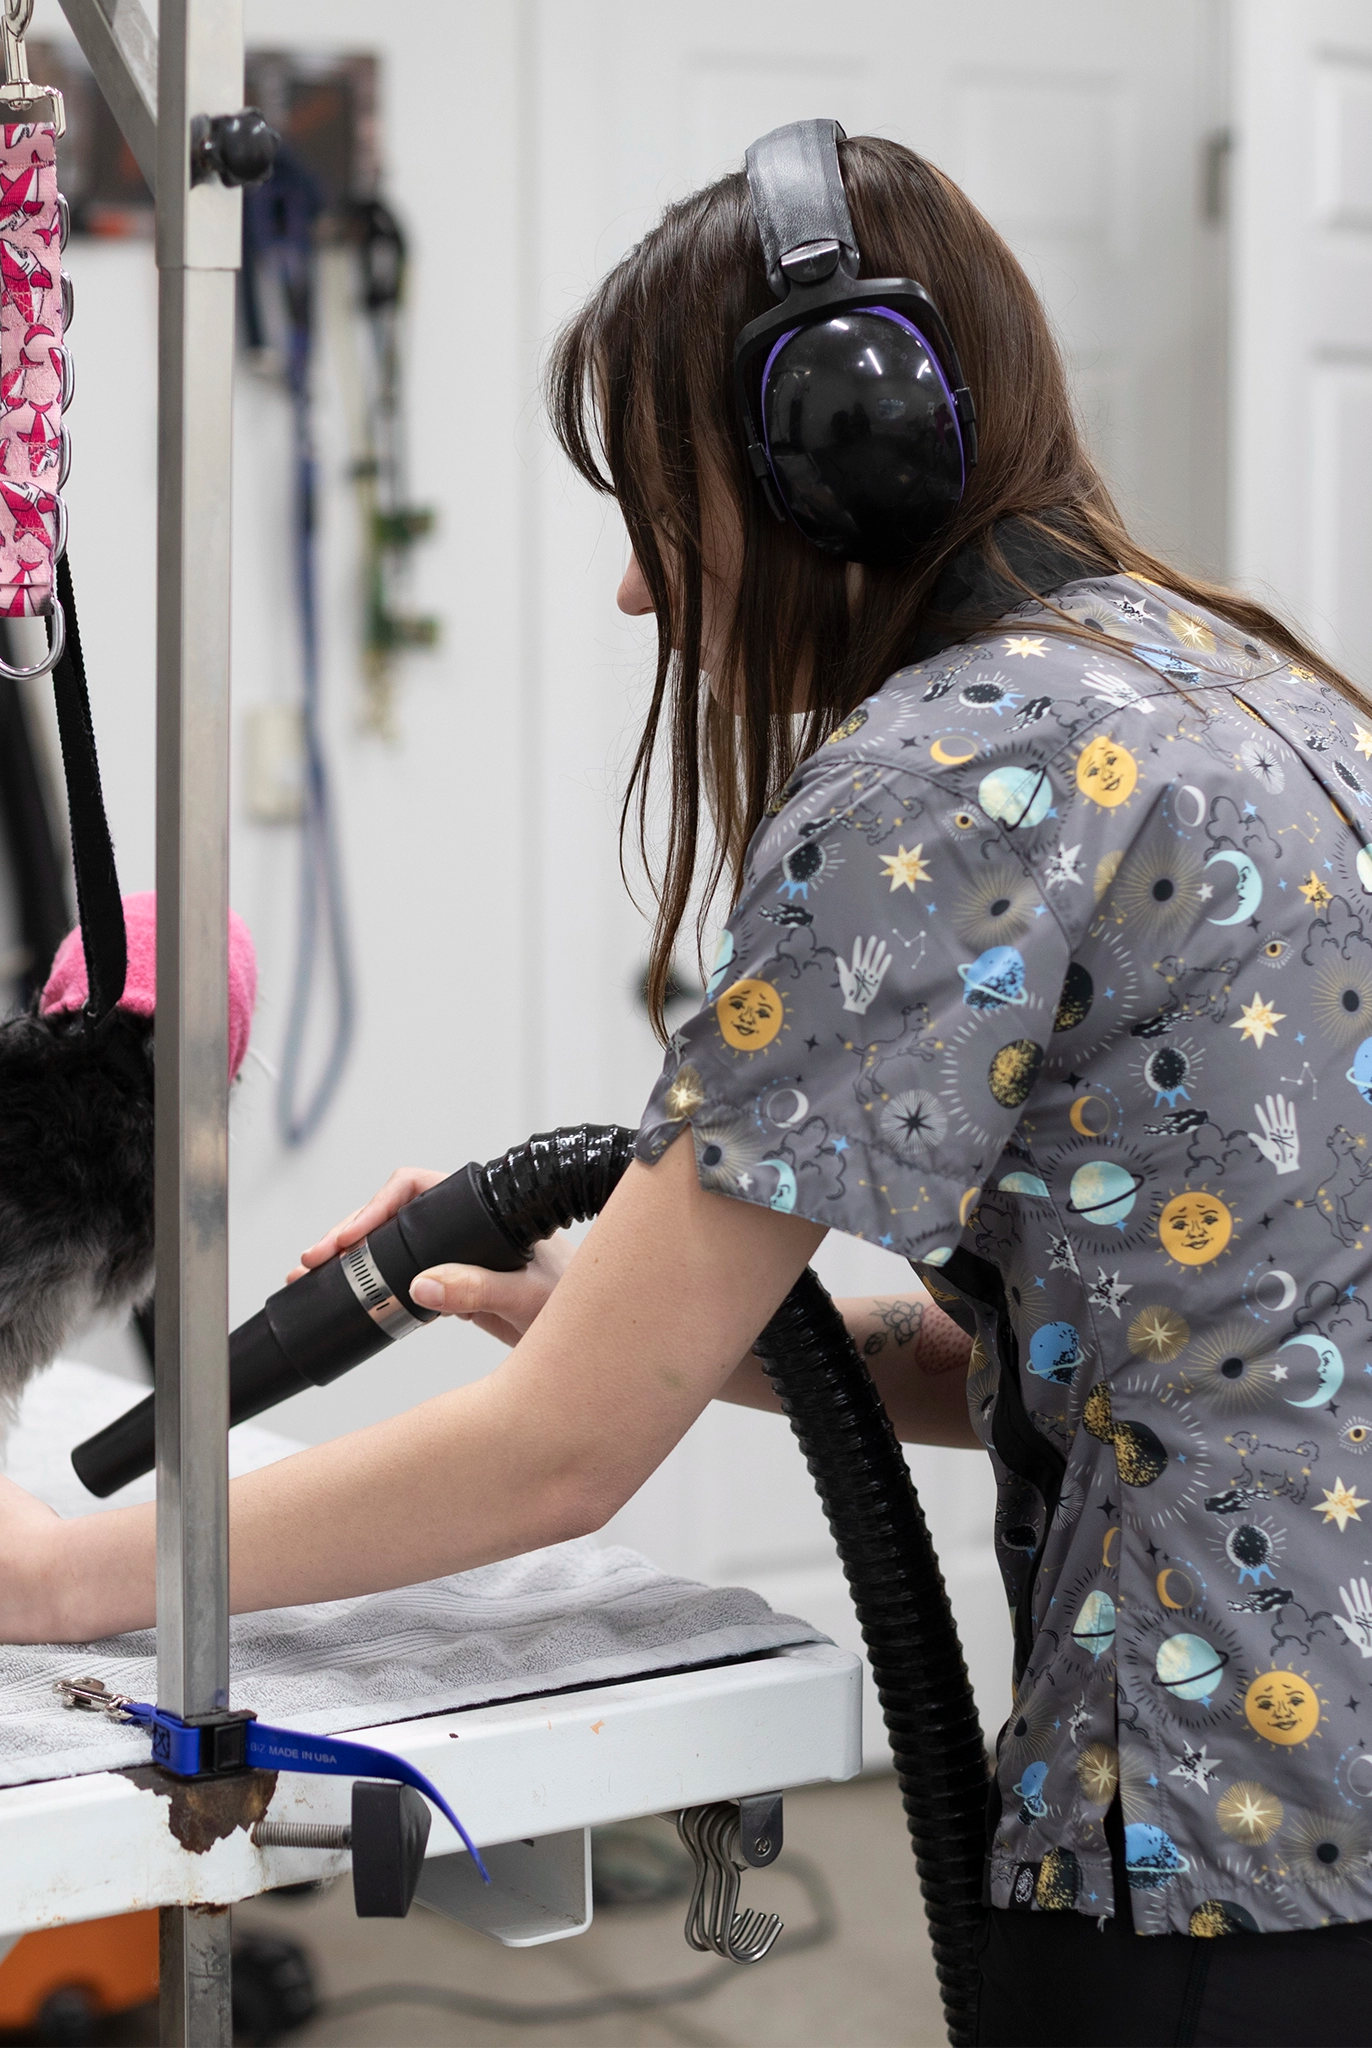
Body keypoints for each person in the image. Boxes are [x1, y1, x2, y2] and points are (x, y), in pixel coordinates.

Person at [6, 126, 1372, 2042]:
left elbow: (557, 1462)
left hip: (1217, 1851)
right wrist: (626, 1321)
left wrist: (63, 1580)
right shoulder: (1248, 688)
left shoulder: (949, 779)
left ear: (839, 457)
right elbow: (1165, 1360)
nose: (642, 591)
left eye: (664, 507)